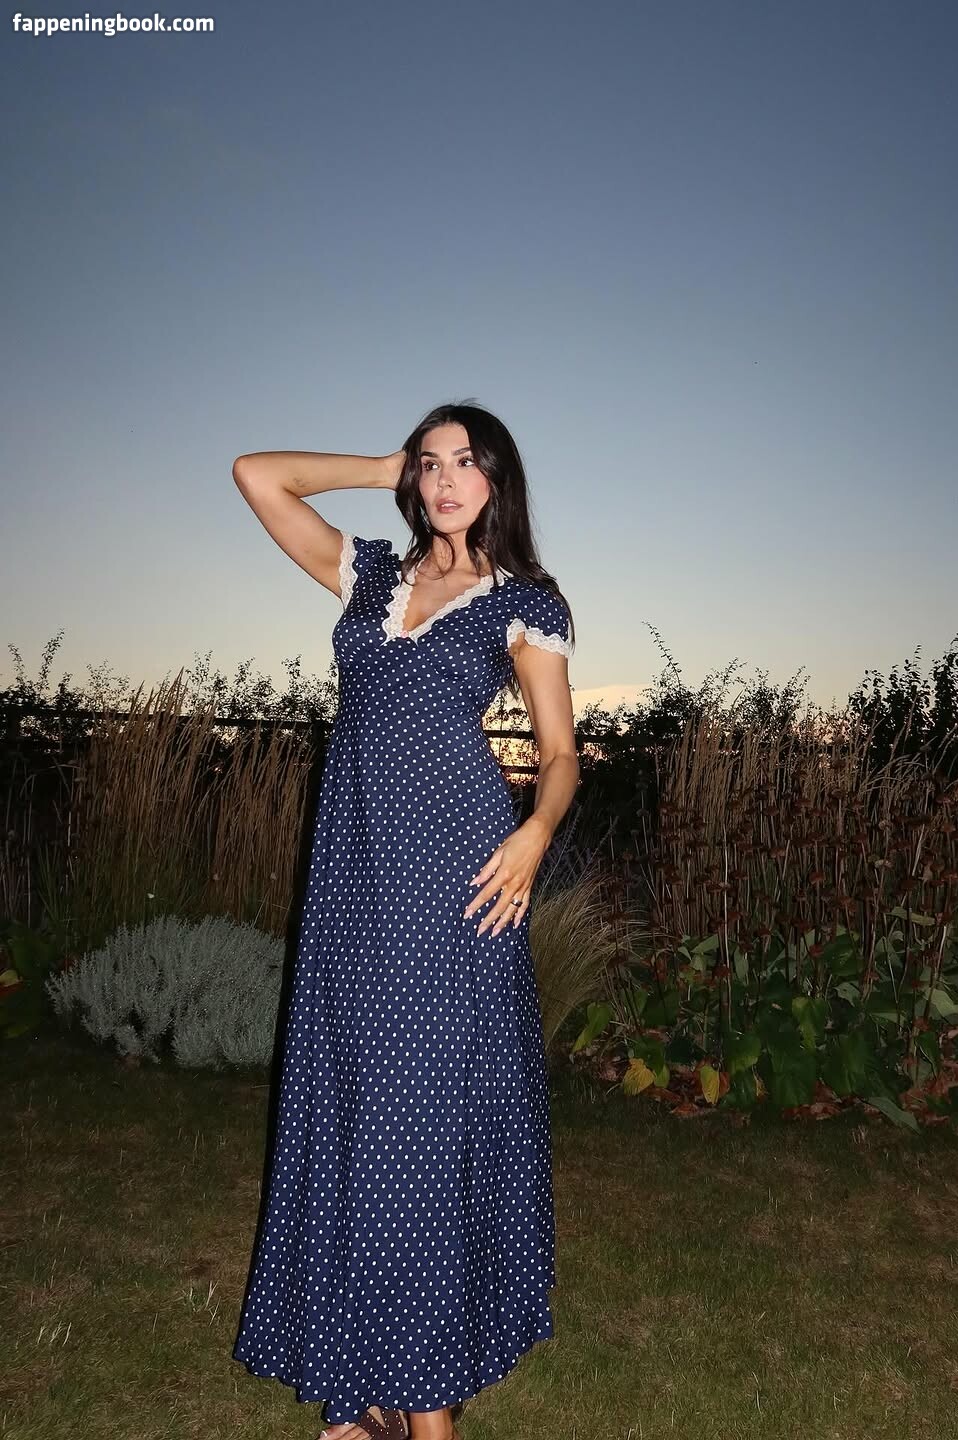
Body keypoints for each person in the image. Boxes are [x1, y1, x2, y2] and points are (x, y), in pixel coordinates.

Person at [229, 402, 580, 1440]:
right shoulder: (370, 574)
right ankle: (373, 1385)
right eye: (431, 464)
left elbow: (560, 754)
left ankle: (426, 1411)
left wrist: (534, 835)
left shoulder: (524, 601)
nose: (446, 479)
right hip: (354, 874)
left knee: (420, 1123)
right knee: (356, 1107)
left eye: (466, 461)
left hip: (457, 872)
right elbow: (256, 473)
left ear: (499, 478)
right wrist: (383, 462)